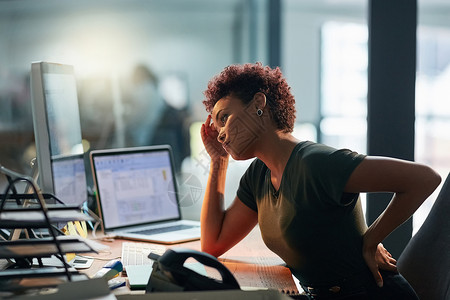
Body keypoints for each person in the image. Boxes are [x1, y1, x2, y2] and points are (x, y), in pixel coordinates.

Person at [199, 63, 441, 300]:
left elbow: (424, 179)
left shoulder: (316, 163)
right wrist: (218, 161)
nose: (220, 134)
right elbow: (213, 244)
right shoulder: (257, 175)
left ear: (258, 104)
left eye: (225, 117)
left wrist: (369, 241)